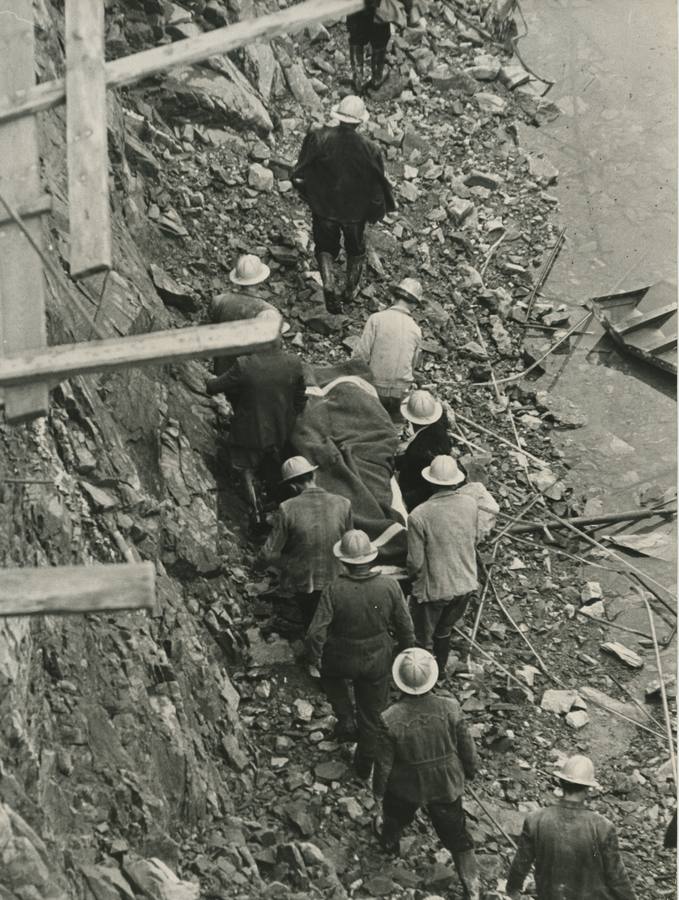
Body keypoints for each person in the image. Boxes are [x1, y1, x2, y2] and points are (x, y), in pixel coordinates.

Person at [373, 648, 480, 899]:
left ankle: (389, 844)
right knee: (457, 836)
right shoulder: (451, 707)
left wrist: (377, 795)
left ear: (398, 681)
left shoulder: (389, 718)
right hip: (446, 784)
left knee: (395, 815)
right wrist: (470, 770)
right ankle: (472, 887)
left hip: (406, 786)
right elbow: (467, 746)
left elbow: (384, 765)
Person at [306, 529, 415, 778]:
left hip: (340, 656)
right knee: (372, 714)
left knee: (332, 680)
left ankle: (345, 718)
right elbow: (405, 626)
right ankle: (364, 766)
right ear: (371, 558)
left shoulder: (333, 590)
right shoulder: (390, 586)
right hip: (377, 659)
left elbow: (315, 633)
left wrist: (314, 658)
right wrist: (407, 653)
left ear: (343, 561)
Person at [292, 95, 396, 312]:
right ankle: (350, 290)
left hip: (325, 208)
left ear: (337, 116)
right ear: (360, 121)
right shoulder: (371, 149)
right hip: (354, 213)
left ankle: (328, 283)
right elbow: (377, 186)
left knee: (324, 246)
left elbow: (300, 171)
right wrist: (375, 210)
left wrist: (310, 195)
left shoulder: (318, 138)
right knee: (356, 249)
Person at [506, 755, 637, 900]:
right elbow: (616, 878)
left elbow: (520, 865)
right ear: (588, 789)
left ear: (561, 782)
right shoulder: (603, 827)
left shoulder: (535, 820)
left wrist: (513, 890)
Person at [205, 340, 307, 522]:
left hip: (249, 435)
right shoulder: (294, 362)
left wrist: (207, 379)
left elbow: (214, 387)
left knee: (245, 470)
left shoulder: (245, 364)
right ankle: (280, 506)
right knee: (272, 469)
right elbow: (300, 398)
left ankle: (256, 515)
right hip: (279, 433)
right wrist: (286, 419)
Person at [407, 455, 482, 676]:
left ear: (430, 482)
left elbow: (415, 562)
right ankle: (439, 672)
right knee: (444, 630)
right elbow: (474, 539)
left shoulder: (419, 515)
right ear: (456, 481)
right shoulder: (470, 504)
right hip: (466, 584)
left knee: (423, 637)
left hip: (436, 590)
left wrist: (413, 581)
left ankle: (422, 679)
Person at [262, 456, 353, 633]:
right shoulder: (344, 503)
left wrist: (287, 565)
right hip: (338, 579)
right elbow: (349, 545)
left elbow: (268, 554)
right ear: (314, 476)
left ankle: (314, 657)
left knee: (312, 629)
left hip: (306, 584)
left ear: (292, 486)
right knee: (337, 629)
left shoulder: (287, 508)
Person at [352, 278, 423, 421]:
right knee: (393, 431)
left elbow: (360, 357)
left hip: (375, 391)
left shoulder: (376, 319)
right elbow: (413, 365)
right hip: (400, 395)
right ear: (413, 305)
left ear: (394, 297)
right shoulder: (416, 330)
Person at [210, 254, 288, 376]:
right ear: (261, 279)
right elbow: (274, 356)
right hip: (249, 385)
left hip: (220, 377)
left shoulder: (218, 301)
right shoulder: (268, 312)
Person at [396, 390, 452, 510]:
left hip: (416, 490)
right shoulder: (440, 421)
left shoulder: (420, 450)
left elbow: (427, 485)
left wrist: (405, 500)